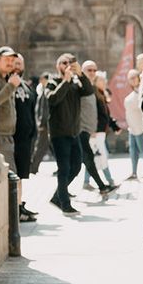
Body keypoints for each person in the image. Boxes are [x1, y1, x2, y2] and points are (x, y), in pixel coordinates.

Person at [45, 52, 95, 215]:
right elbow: (52, 100)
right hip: (59, 134)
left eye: (70, 63)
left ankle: (57, 196)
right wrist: (65, 81)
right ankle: (65, 204)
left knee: (76, 167)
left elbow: (88, 91)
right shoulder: (52, 82)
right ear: (57, 66)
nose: (67, 65)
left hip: (74, 132)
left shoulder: (75, 83)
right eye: (63, 63)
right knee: (64, 168)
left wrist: (80, 74)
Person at [79, 60, 116, 195]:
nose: (93, 73)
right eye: (89, 70)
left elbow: (101, 112)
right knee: (92, 158)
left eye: (95, 70)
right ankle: (104, 183)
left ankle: (101, 185)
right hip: (86, 130)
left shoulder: (94, 89)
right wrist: (92, 128)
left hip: (93, 130)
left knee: (90, 159)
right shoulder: (82, 85)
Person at [12, 53, 38, 222]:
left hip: (25, 139)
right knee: (15, 176)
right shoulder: (8, 85)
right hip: (14, 137)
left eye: (20, 64)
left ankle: (19, 205)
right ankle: (15, 208)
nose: (17, 67)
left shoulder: (25, 86)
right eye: (14, 63)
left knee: (21, 175)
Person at [89, 70, 119, 188]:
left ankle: (86, 182)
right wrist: (92, 129)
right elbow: (92, 113)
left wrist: (114, 126)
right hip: (96, 131)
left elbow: (105, 115)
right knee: (101, 156)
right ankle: (109, 180)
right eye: (101, 80)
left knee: (94, 156)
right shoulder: (94, 95)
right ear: (96, 82)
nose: (104, 82)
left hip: (101, 130)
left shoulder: (101, 94)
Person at [0, 46, 20, 178]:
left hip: (8, 136)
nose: (10, 62)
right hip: (0, 136)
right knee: (10, 176)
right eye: (7, 59)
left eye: (12, 60)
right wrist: (11, 86)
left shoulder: (6, 79)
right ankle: (12, 199)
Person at [124, 68, 143, 179]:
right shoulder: (132, 94)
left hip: (141, 128)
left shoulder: (142, 92)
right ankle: (134, 172)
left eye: (134, 77)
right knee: (133, 152)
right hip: (132, 128)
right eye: (130, 78)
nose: (132, 80)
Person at [30, 72, 52, 175]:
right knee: (44, 147)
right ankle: (33, 167)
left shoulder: (47, 91)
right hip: (43, 124)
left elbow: (44, 109)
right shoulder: (41, 90)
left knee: (40, 147)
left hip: (45, 125)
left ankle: (33, 168)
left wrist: (42, 123)